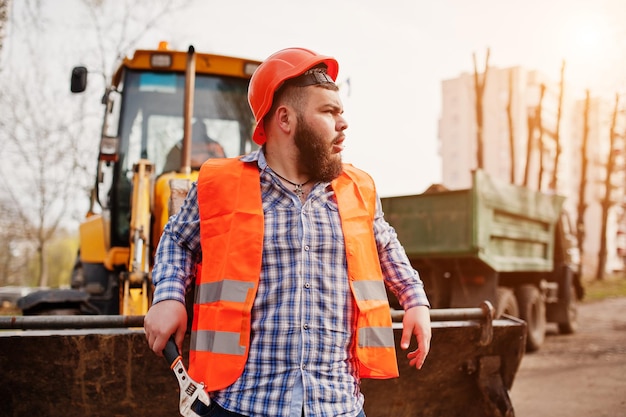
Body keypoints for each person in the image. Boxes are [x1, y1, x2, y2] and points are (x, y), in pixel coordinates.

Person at [144, 47, 431, 417]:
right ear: (285, 119)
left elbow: (386, 244)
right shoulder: (220, 185)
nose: (343, 124)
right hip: (243, 405)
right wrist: (168, 297)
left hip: (338, 406)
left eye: (341, 112)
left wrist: (415, 299)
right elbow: (178, 239)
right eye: (329, 111)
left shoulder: (356, 190)